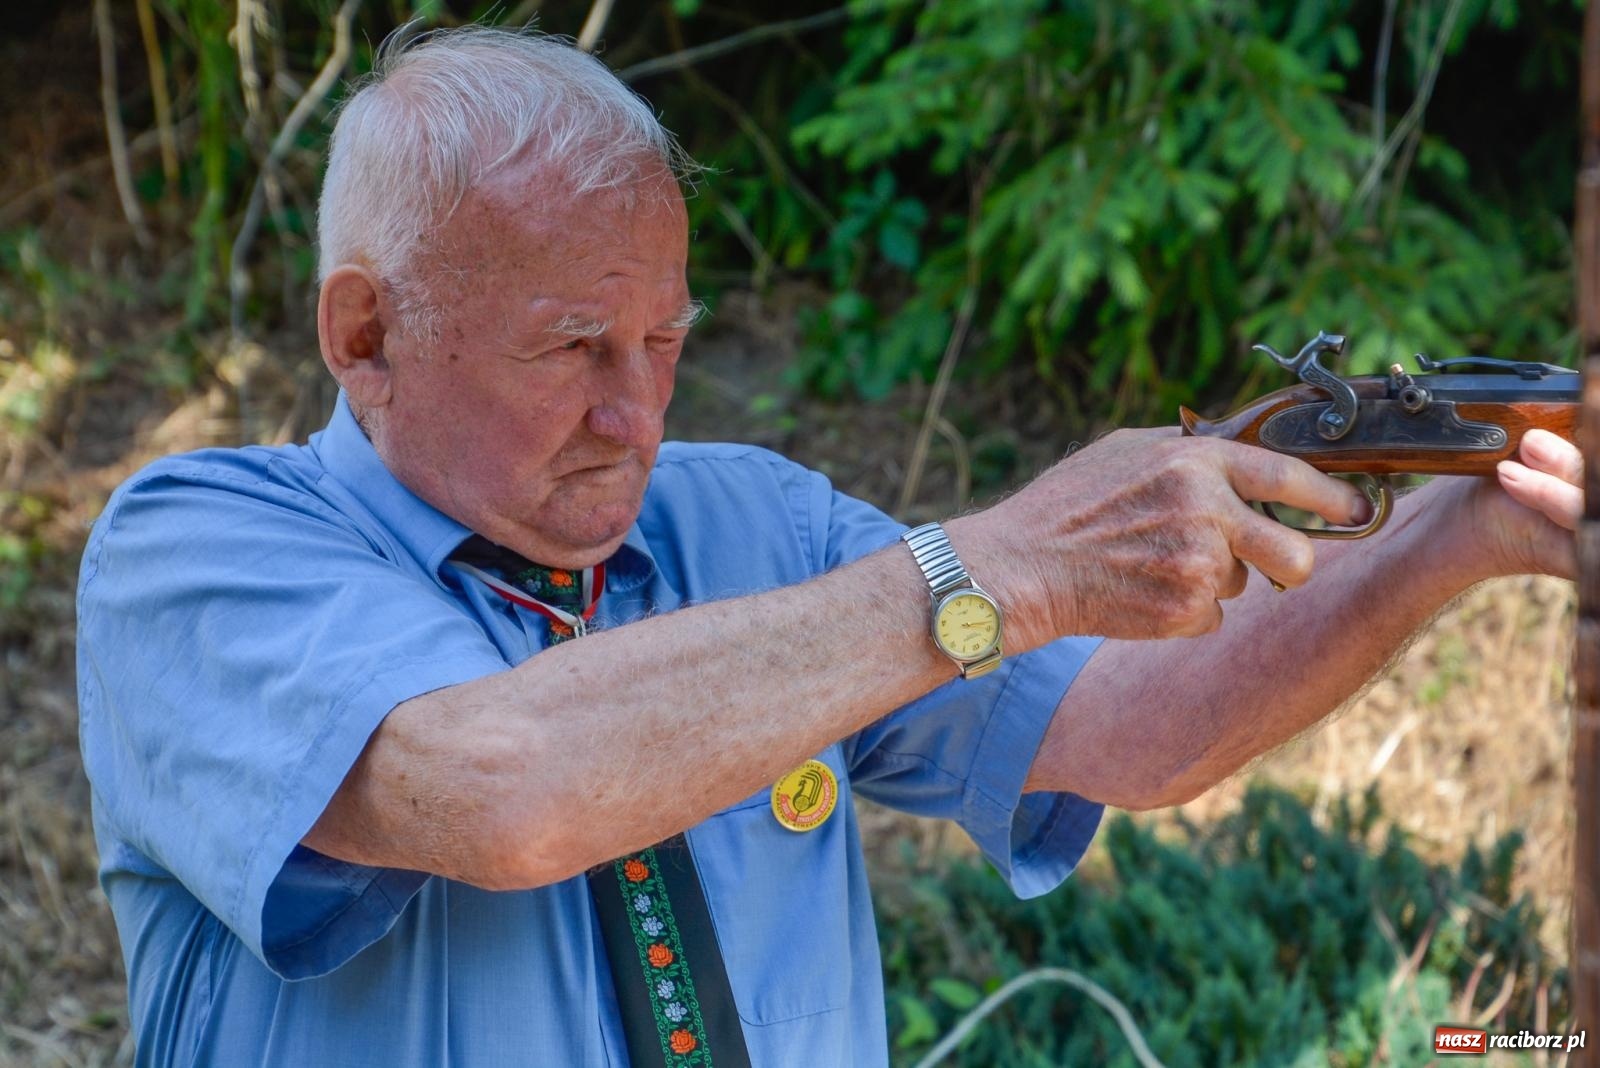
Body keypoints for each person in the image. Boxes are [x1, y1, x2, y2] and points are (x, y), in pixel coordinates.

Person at [75, 26, 1582, 1068]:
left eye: (666, 337)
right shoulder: (192, 549)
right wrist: (980, 575)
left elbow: (1140, 728)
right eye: (574, 347)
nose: (640, 409)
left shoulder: (759, 523)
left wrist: (1472, 524)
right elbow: (503, 788)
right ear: (364, 331)